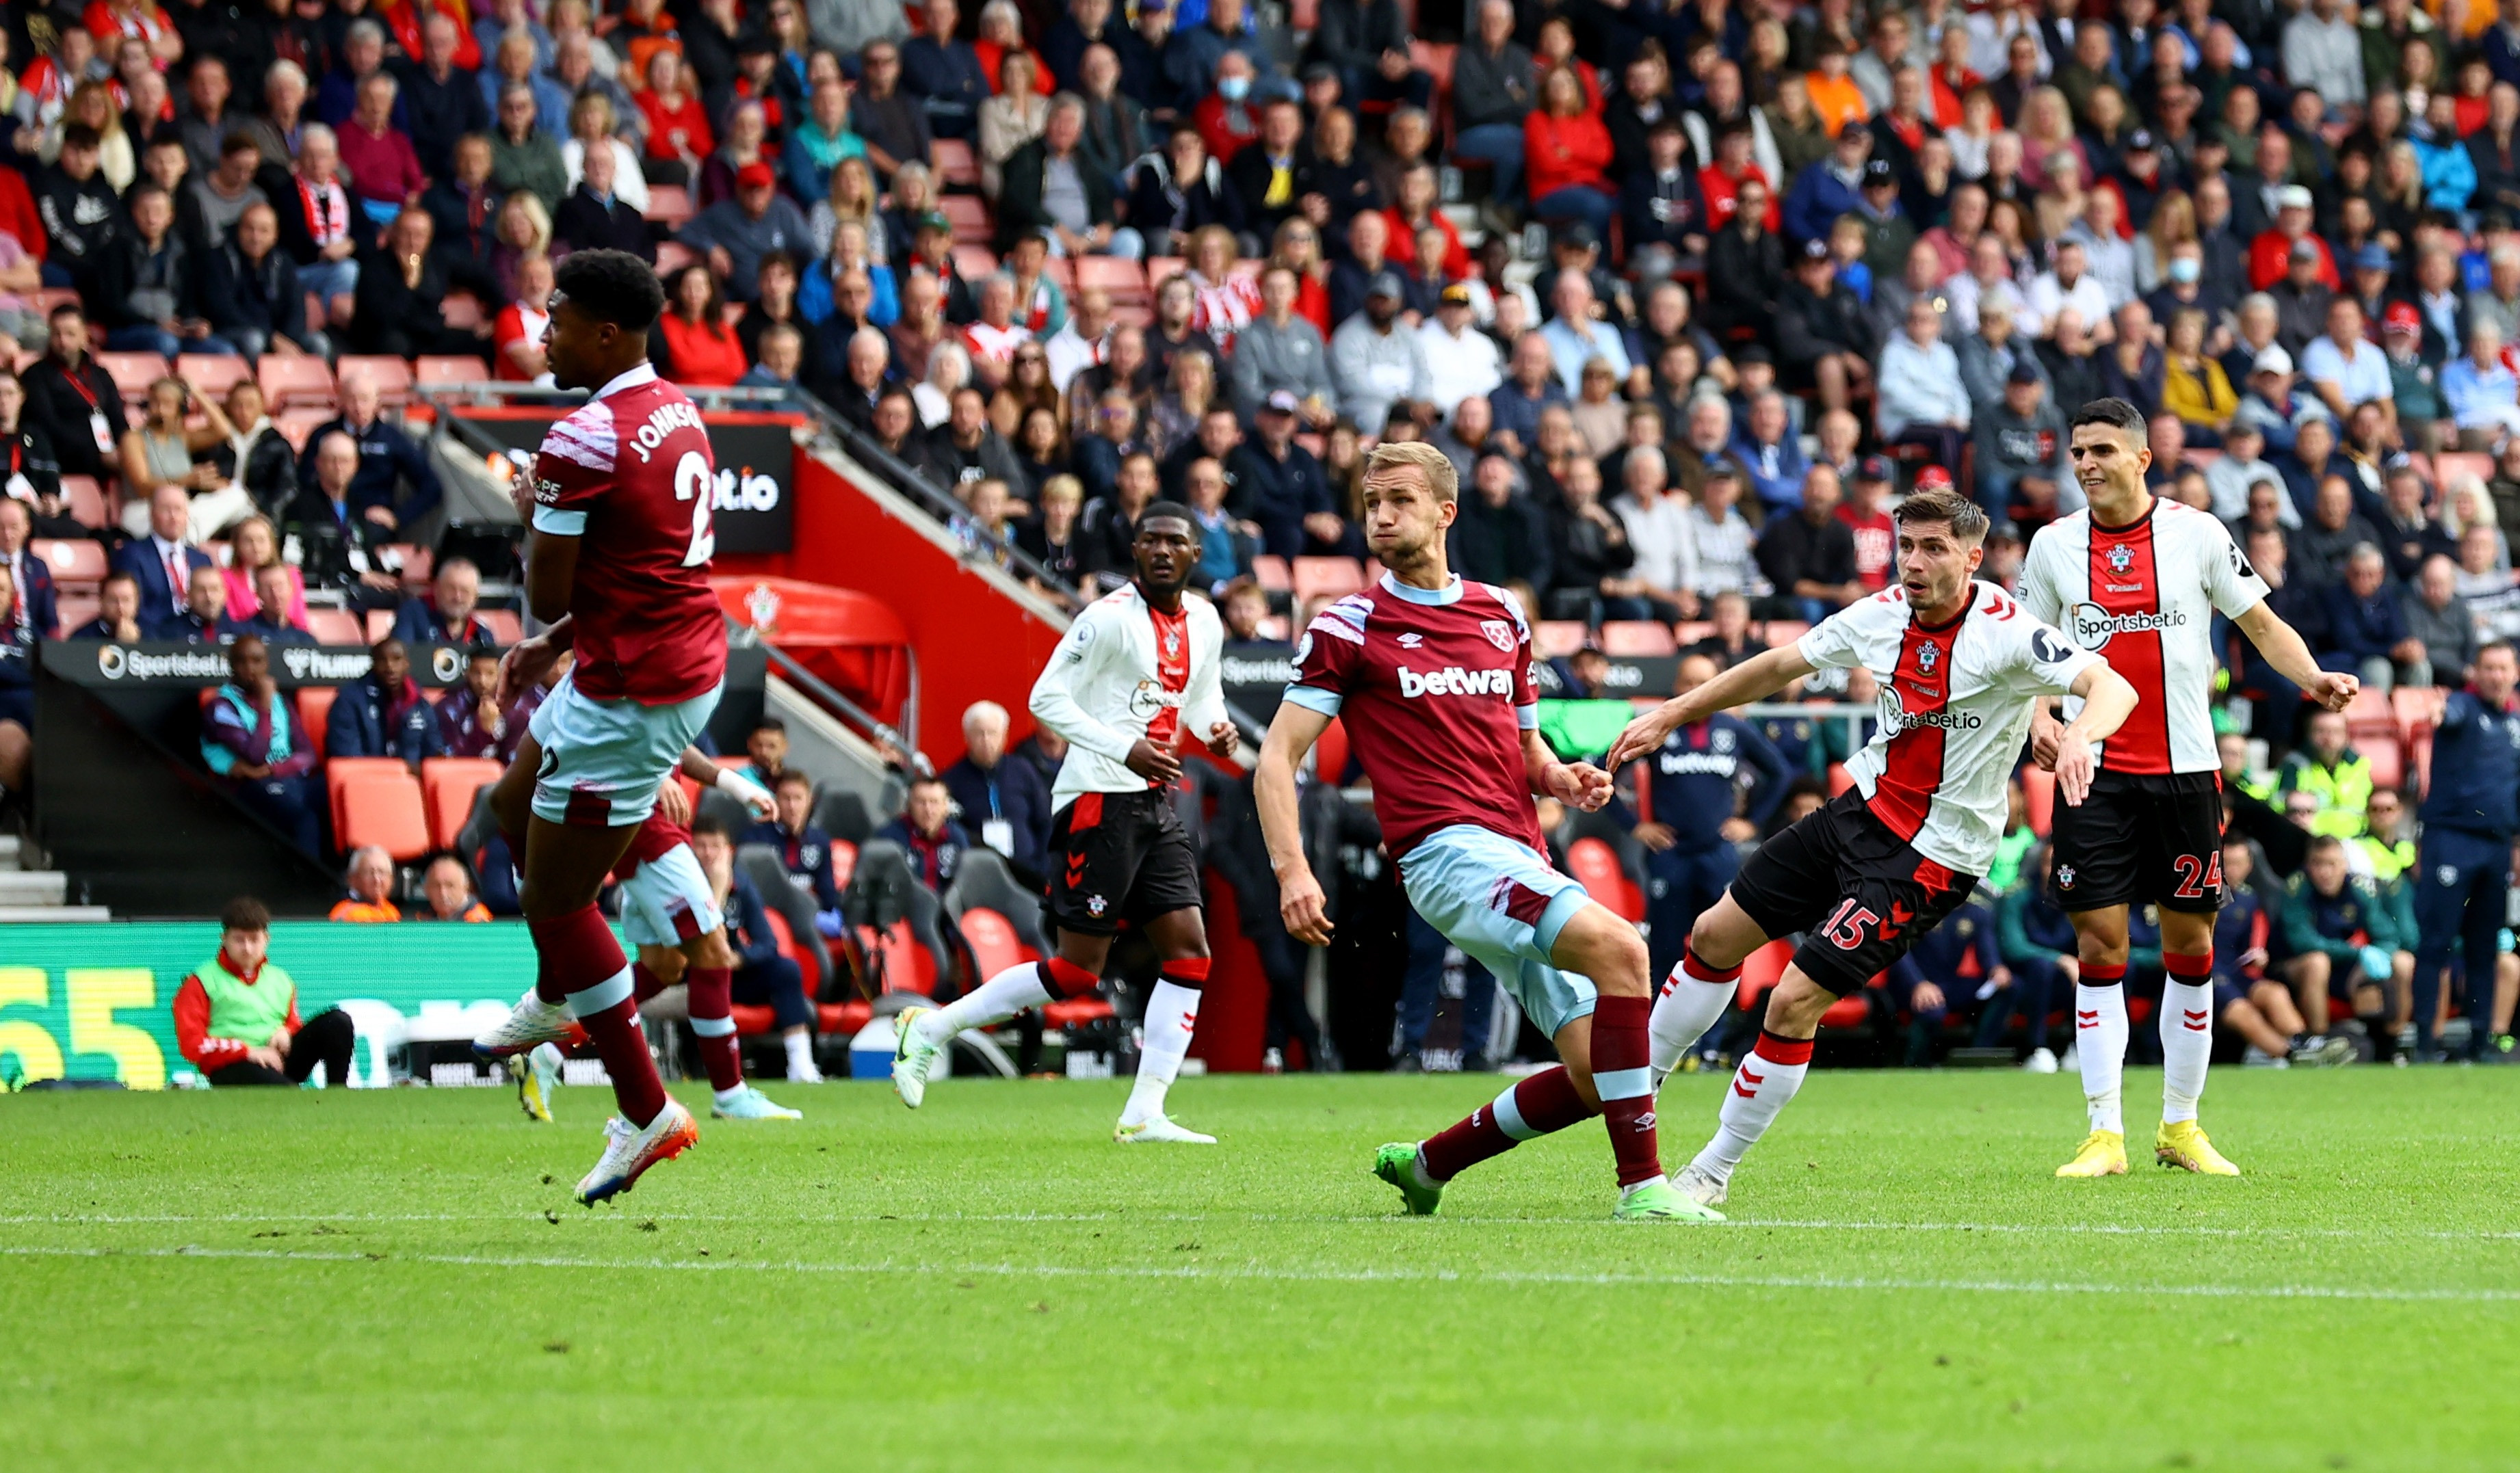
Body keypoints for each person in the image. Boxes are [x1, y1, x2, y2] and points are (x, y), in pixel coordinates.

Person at [1610, 488, 2139, 1210]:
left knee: (1794, 1000)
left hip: (1932, 857)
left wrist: (2078, 732)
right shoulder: (1884, 612)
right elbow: (1778, 665)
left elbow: (2111, 685)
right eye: (1907, 546)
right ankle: (1640, 1088)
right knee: (1712, 934)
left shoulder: (2007, 630)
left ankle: (1711, 1172)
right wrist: (1674, 711)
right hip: (1859, 811)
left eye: (1933, 548)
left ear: (1973, 557)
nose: (1914, 563)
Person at [1249, 442, 1711, 1223]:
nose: (1382, 515)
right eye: (1371, 502)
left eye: (1398, 499)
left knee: (1600, 1074)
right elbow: (1277, 756)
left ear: (1445, 513)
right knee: (1625, 950)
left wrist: (1564, 776)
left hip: (1518, 849)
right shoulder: (1350, 624)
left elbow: (1525, 750)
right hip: (1445, 855)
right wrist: (1293, 870)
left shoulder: (1501, 614)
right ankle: (1645, 1192)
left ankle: (1430, 1165)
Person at [2019, 396, 2358, 1179]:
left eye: (2101, 450)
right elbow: (2026, 651)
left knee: (2192, 945)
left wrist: (2312, 679)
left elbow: (2261, 623)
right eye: (2077, 452)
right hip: (2091, 773)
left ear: (2142, 458)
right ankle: (2105, 1135)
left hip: (2186, 776)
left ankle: (2181, 1126)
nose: (2085, 465)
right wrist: (2042, 716)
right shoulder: (2052, 547)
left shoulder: (2199, 533)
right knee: (2100, 945)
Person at [468, 250, 728, 1205]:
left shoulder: (584, 435)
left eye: (558, 319)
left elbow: (546, 581)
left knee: (557, 902)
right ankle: (561, 987)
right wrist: (553, 647)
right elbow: (642, 567)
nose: (544, 334)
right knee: (507, 803)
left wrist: (532, 503)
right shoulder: (678, 409)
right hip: (656, 652)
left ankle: (647, 1107)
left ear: (605, 332)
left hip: (634, 688)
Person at [891, 500, 1234, 1144]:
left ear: (1196, 554)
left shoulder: (1207, 622)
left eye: (1175, 542)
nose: (1162, 551)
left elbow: (1202, 693)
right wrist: (1122, 746)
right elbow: (1044, 697)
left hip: (1154, 804)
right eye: (1150, 541)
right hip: (1099, 799)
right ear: (1134, 551)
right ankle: (931, 1028)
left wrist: (1214, 726)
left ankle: (1144, 1112)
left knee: (1190, 954)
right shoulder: (1106, 620)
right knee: (1078, 970)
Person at [1625, 654, 1790, 987]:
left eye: (1704, 683)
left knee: (1720, 950)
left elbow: (1780, 774)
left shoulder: (1735, 730)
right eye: (1688, 682)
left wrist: (1752, 822)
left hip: (1717, 854)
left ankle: (1713, 1038)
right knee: (1666, 950)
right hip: (1669, 855)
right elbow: (1608, 766)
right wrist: (1635, 827)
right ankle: (1660, 1035)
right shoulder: (1658, 726)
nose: (1696, 690)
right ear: (1676, 687)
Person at [2410, 643, 2520, 1061]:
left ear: (2514, 673)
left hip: (2496, 847)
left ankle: (2480, 1041)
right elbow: (2447, 714)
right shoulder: (2462, 705)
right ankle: (2424, 1042)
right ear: (2476, 672)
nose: (2495, 676)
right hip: (2452, 839)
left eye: (2503, 668)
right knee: (2436, 942)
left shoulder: (2514, 722)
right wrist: (2437, 714)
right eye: (2488, 668)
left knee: (2484, 948)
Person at [173, 897, 358, 1087]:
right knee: (287, 1094)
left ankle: (337, 1093)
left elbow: (293, 1024)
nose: (247, 948)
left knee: (338, 1022)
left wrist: (285, 1032)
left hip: (276, 1060)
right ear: (224, 940)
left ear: (266, 940)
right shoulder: (201, 981)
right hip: (232, 1065)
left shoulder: (281, 979)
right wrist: (247, 1052)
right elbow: (192, 1044)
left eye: (254, 940)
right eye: (239, 940)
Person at [200, 635, 321, 852]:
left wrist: (276, 769)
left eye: (257, 661)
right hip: (249, 788)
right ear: (231, 666)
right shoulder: (221, 706)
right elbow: (254, 755)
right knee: (305, 821)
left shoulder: (281, 701)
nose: (250, 669)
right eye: (242, 662)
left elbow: (308, 755)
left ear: (266, 664)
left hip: (282, 776)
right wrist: (264, 708)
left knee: (338, 802)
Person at [939, 698, 1053, 883]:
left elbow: (1044, 822)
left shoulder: (1023, 770)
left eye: (993, 733)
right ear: (966, 737)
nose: (986, 741)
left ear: (1004, 736)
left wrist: (1043, 866)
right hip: (979, 877)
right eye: (979, 734)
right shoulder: (952, 780)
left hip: (1029, 873)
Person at [112, 486, 218, 636]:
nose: (173, 517)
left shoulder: (202, 559)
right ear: (152, 514)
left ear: (187, 515)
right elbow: (133, 608)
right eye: (166, 509)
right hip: (154, 639)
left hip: (197, 640)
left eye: (178, 509)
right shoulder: (131, 555)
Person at [328, 637, 446, 767]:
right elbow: (348, 757)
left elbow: (435, 751)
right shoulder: (349, 700)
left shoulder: (420, 703)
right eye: (382, 660)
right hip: (366, 781)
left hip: (411, 782)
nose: (390, 667)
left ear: (407, 663)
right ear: (373, 664)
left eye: (397, 659)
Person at [330, 845, 403, 922]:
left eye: (382, 872)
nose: (377, 880)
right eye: (370, 873)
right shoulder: (347, 914)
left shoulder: (392, 912)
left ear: (391, 879)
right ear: (353, 879)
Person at [415, 855, 494, 922]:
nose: (443, 893)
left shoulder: (478, 919)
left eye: (450, 885)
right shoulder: (420, 918)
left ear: (465, 887)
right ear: (426, 889)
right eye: (436, 885)